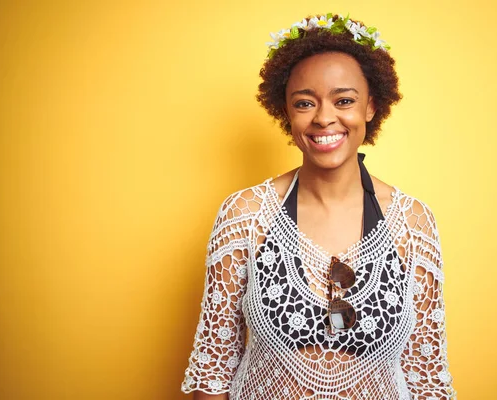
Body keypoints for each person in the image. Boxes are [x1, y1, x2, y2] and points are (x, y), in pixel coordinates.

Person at [181, 14, 456, 400]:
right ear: (287, 112)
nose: (324, 117)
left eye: (344, 100)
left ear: (371, 107)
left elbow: (428, 378)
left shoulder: (412, 223)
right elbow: (214, 367)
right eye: (305, 103)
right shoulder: (245, 215)